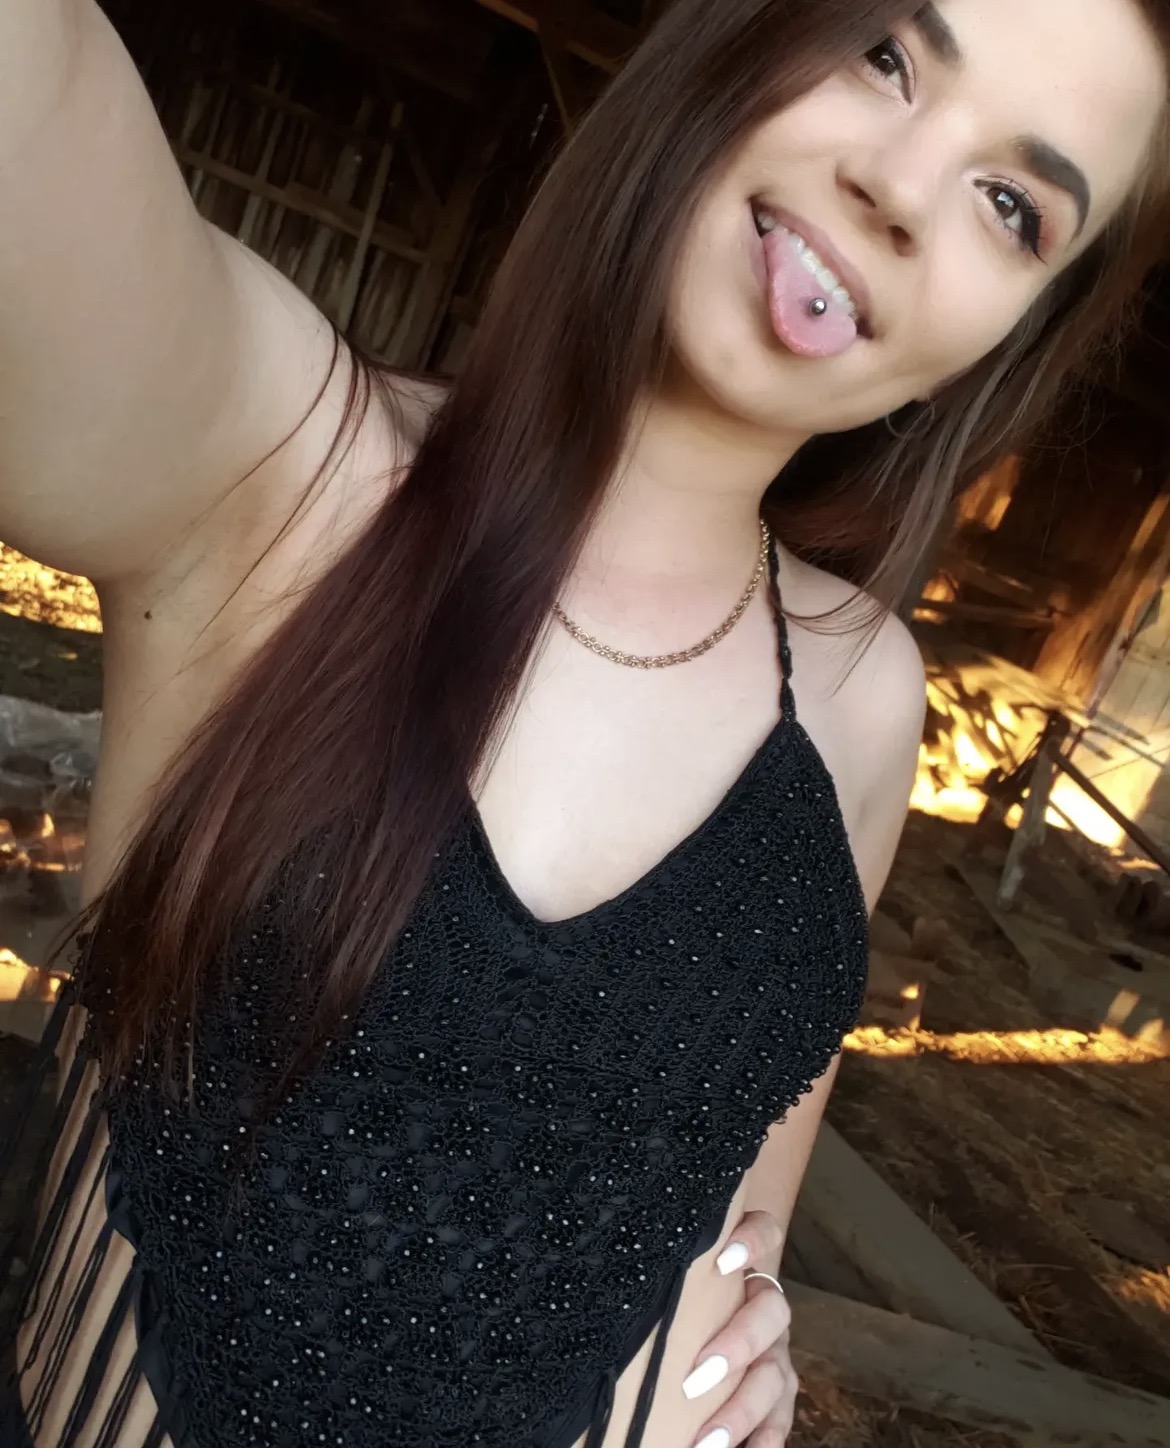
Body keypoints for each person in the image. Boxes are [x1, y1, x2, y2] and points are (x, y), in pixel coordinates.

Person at [1, 0, 1167, 1444]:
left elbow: (731, 1221)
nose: (901, 190)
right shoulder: (274, 470)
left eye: (1012, 206)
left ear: (1004, 339)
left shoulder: (862, 698)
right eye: (885, 55)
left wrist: (736, 1367)